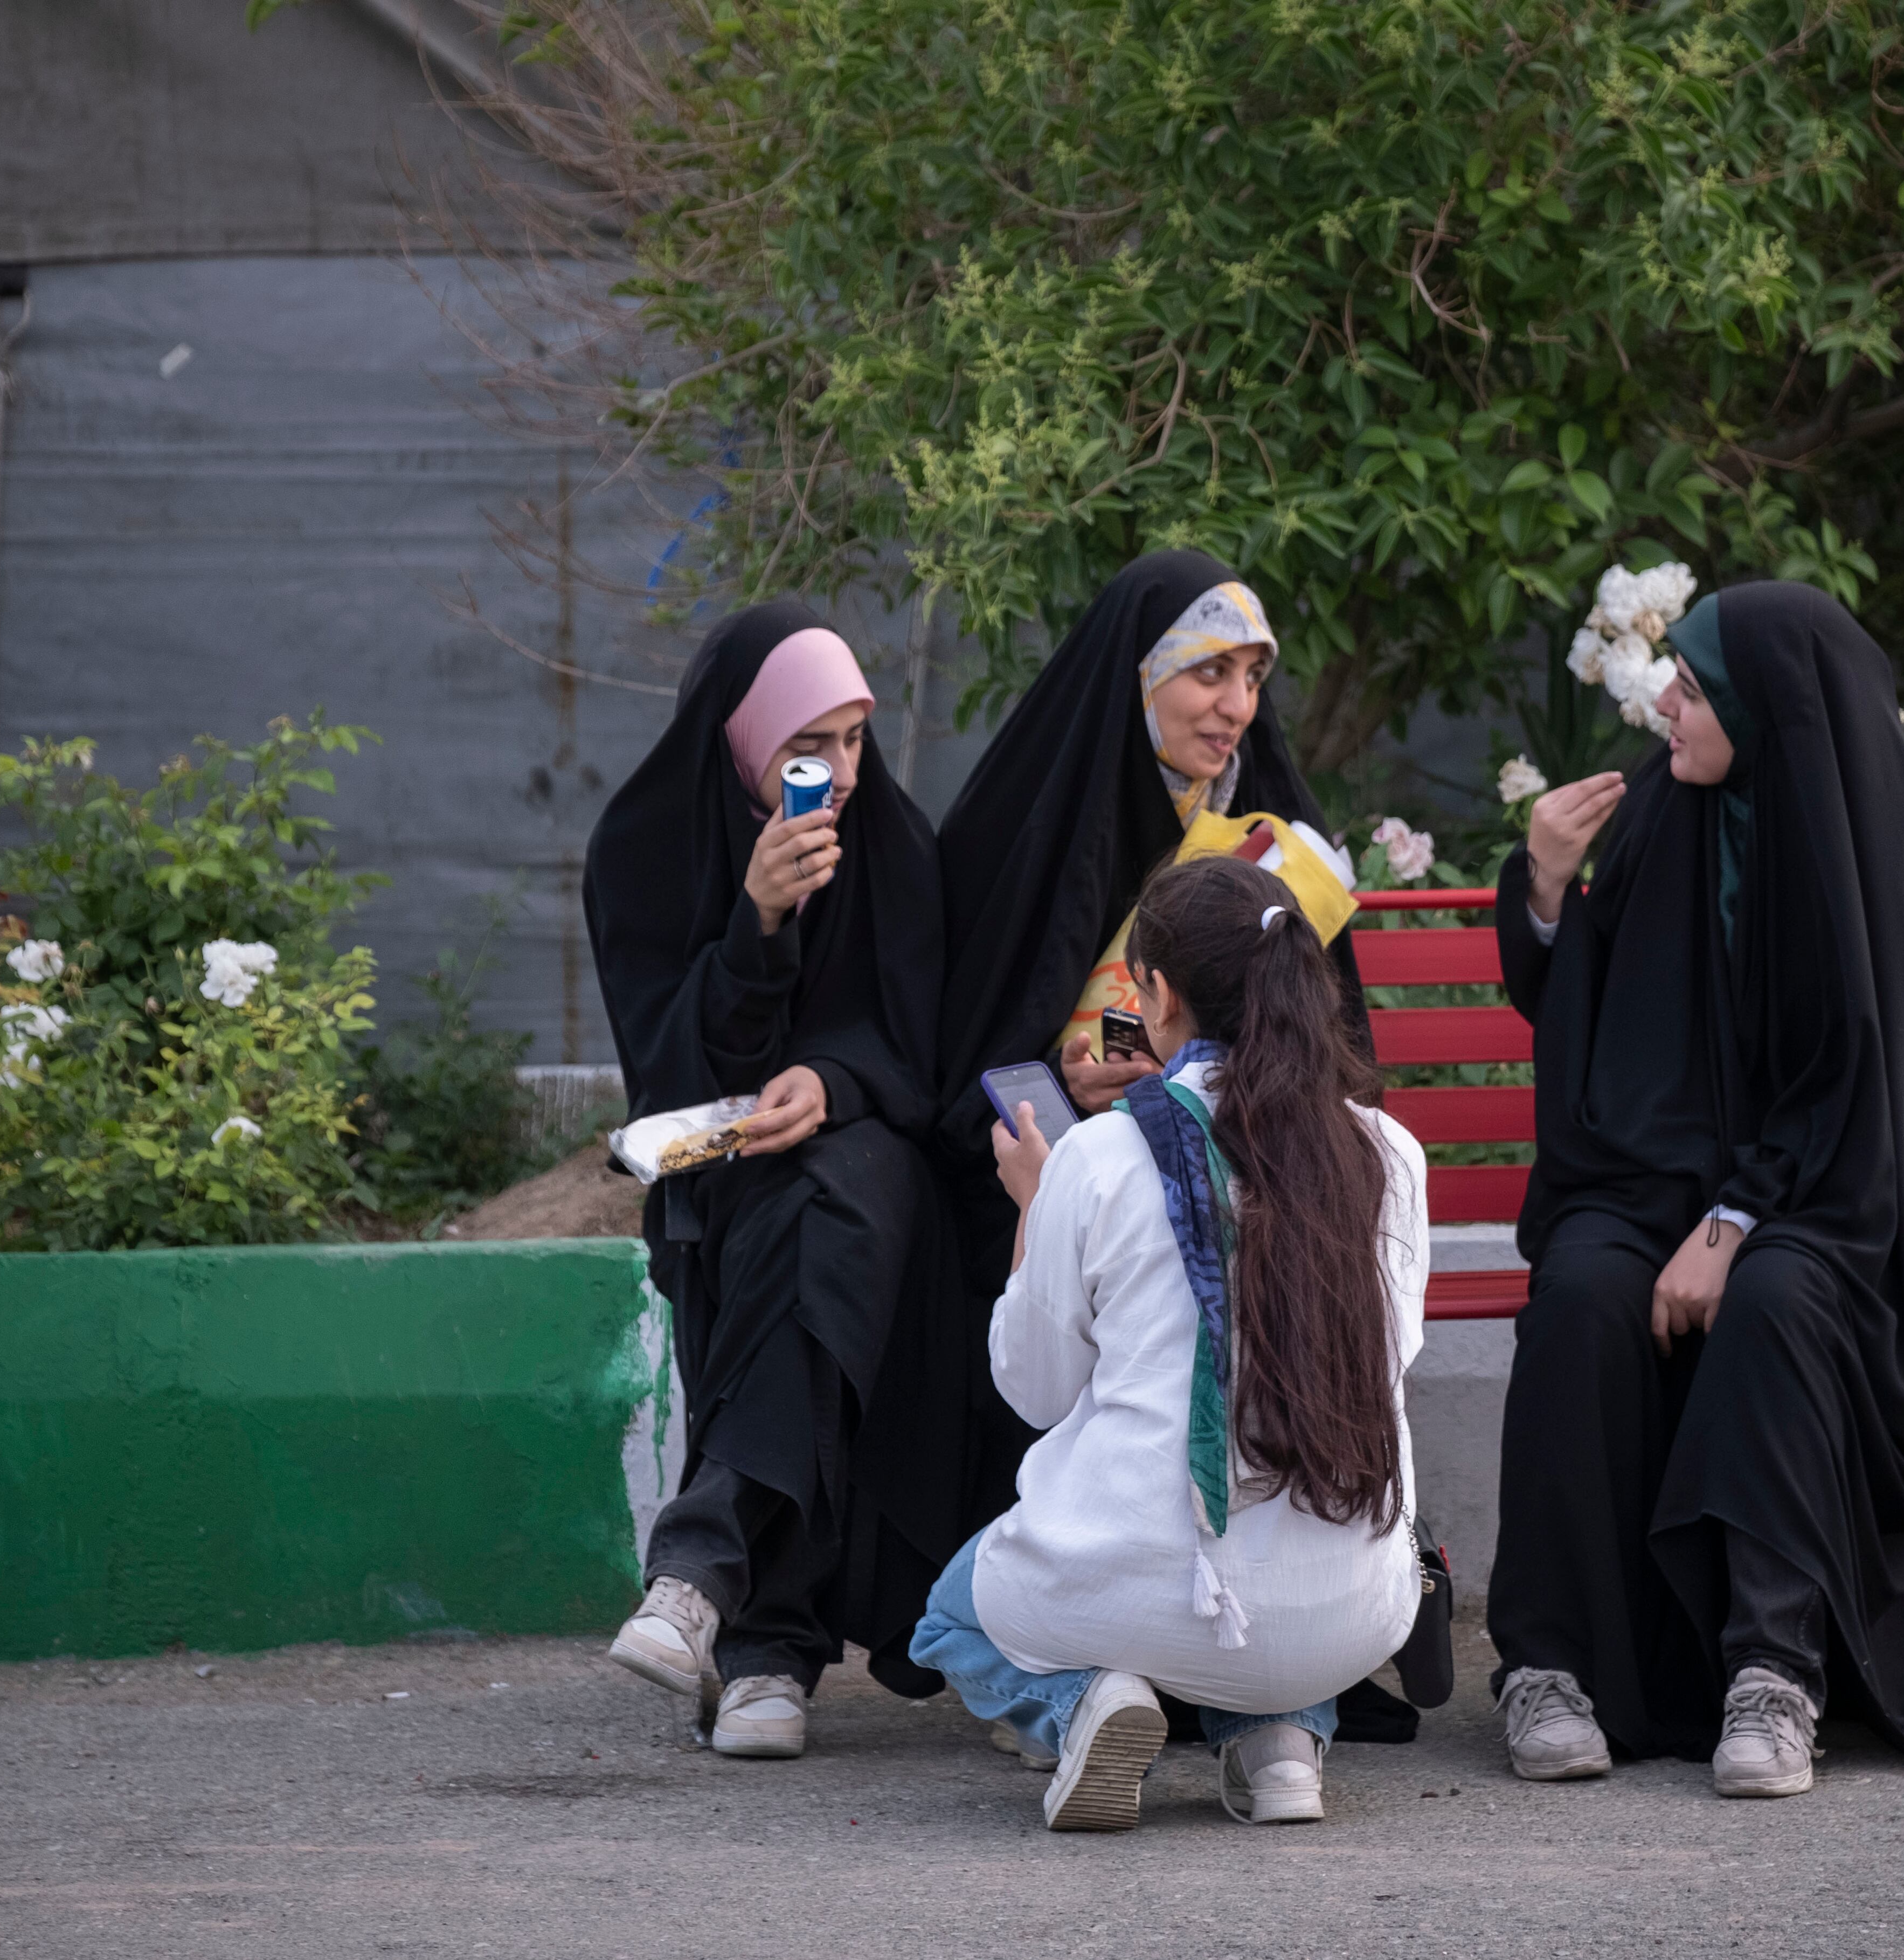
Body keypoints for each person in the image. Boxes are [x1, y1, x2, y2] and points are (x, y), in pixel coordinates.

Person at [1487, 580, 1904, 1796]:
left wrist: (1733, 1220)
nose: (1663, 700)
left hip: (1839, 1203)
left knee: (1776, 1301)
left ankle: (1773, 1672)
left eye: (1694, 684)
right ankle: (1548, 1666)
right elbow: (1591, 1018)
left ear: (1769, 705)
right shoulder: (1669, 810)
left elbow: (1875, 1098)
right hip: (1653, 1174)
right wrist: (1550, 890)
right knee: (1579, 1289)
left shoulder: (1903, 856)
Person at [931, 550, 1416, 1751]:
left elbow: (1310, 1045)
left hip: (1140, 1179)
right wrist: (1069, 1079)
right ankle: (1274, 1715)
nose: (1235, 704)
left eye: (1252, 674)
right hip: (1065, 1150)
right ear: (1139, 680)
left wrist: (1180, 1097)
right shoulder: (1035, 815)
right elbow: (967, 1044)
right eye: (1207, 672)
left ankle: (1080, 1659)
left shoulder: (1272, 843)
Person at [910, 854, 1431, 1830]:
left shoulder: (1097, 1157)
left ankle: (1089, 1706)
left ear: (1155, 995)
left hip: (1134, 1589)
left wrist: (1034, 1201)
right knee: (1267, 1582)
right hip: (1358, 1610)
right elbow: (1391, 1359)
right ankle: (1282, 1740)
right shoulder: (1387, 1150)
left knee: (950, 1610)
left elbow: (1035, 1389)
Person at [583, 600, 967, 1760]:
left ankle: (715, 1592)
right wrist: (757, 922)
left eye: (856, 740)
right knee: (789, 1223)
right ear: (747, 744)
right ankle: (761, 1644)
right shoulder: (647, 851)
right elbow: (668, 1068)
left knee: (836, 1197)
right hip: (720, 1170)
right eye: (812, 748)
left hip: (868, 1161)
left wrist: (833, 1083)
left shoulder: (892, 847)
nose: (842, 774)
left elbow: (918, 1048)